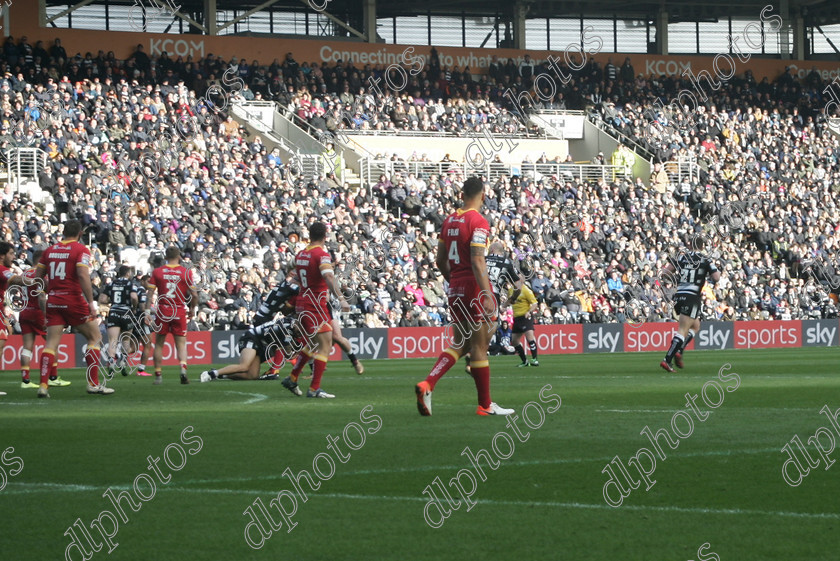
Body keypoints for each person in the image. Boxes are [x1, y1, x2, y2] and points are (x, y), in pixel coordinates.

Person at [414, 177, 514, 416]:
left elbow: (440, 261)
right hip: (473, 285)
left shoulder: (448, 222)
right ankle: (485, 405)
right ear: (482, 194)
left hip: (456, 285)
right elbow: (478, 259)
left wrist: (454, 281)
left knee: (461, 343)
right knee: (480, 345)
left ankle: (428, 384)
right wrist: (486, 293)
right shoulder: (478, 221)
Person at [35, 220, 112, 397]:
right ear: (79, 234)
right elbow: (83, 275)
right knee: (95, 337)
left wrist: (49, 289)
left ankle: (43, 386)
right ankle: (93, 384)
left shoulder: (49, 250)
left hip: (54, 301)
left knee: (51, 344)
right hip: (74, 301)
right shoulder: (81, 250)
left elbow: (38, 277)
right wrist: (91, 303)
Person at [280, 221, 350, 399]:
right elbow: (327, 275)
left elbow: (290, 268)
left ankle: (293, 378)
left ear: (309, 236)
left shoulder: (301, 254)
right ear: (325, 236)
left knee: (314, 344)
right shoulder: (322, 254)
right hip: (315, 305)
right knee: (325, 345)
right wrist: (341, 298)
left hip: (302, 302)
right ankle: (314, 389)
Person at [660, 238, 721, 372]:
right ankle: (667, 359)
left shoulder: (682, 258)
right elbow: (716, 277)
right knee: (683, 330)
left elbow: (665, 273)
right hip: (692, 296)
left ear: (689, 244)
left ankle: (680, 350)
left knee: (695, 325)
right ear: (702, 246)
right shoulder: (705, 259)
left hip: (679, 296)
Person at [19, 248, 71, 389]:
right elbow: (42, 296)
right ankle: (53, 377)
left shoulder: (24, 273)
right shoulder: (40, 275)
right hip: (37, 313)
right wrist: (45, 315)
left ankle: (26, 380)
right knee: (52, 344)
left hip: (24, 312)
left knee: (27, 347)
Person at [147, 246, 198, 385]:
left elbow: (150, 293)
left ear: (165, 257)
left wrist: (146, 312)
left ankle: (158, 376)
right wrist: (192, 309)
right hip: (179, 309)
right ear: (179, 256)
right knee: (181, 344)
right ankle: (183, 370)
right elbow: (194, 295)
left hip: (163, 309)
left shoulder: (157, 272)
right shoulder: (185, 272)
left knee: (158, 344)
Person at [200, 317, 299, 382]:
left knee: (252, 376)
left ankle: (223, 375)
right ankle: (211, 374)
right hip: (252, 338)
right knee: (244, 366)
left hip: (261, 343)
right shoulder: (286, 327)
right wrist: (296, 351)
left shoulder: (292, 325)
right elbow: (287, 352)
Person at [103, 265, 138, 377]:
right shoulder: (129, 284)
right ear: (127, 273)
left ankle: (112, 363)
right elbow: (134, 297)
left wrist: (111, 300)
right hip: (126, 312)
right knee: (126, 340)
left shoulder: (111, 284)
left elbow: (102, 299)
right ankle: (123, 362)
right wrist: (134, 307)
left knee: (113, 340)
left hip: (114, 312)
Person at [509, 277, 540, 367]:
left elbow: (534, 303)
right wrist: (504, 305)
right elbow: (511, 301)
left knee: (530, 338)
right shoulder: (511, 291)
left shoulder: (526, 290)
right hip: (516, 318)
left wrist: (529, 311)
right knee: (514, 341)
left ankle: (535, 359)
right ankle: (525, 361)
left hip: (526, 317)